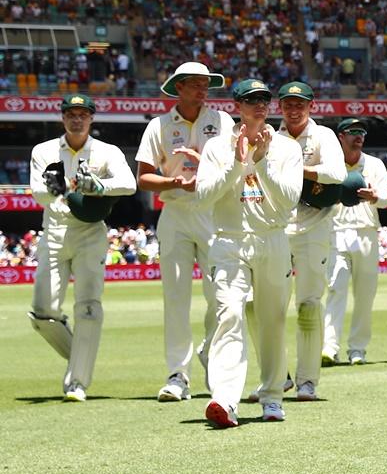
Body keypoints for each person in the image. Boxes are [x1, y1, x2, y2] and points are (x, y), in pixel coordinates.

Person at [195, 79, 303, 427]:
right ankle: (224, 401)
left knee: (272, 321)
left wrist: (262, 162)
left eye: (264, 99)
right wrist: (237, 165)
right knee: (229, 315)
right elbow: (203, 196)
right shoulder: (216, 147)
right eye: (251, 100)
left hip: (272, 239)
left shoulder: (286, 147)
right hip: (229, 241)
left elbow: (289, 198)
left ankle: (272, 396)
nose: (259, 105)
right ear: (237, 106)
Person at [134, 62, 233, 402]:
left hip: (212, 212)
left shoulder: (222, 121)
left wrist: (204, 175)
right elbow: (144, 177)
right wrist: (173, 181)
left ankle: (211, 356)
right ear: (178, 87)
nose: (202, 89)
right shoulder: (158, 126)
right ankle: (177, 375)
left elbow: (235, 166)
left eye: (206, 84)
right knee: (176, 298)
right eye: (195, 84)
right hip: (175, 212)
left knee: (219, 294)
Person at [28, 95, 136, 401]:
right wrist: (54, 189)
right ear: (63, 118)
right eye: (71, 114)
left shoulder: (107, 151)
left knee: (88, 306)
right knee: (42, 311)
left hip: (90, 232)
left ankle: (77, 382)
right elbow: (37, 192)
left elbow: (129, 184)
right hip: (55, 231)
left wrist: (99, 187)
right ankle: (80, 353)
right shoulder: (44, 150)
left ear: (91, 118)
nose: (77, 119)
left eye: (83, 114)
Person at [275, 81, 346, 401]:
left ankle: (307, 381)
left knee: (308, 304)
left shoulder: (323, 136)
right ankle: (277, 377)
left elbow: (337, 174)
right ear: (280, 107)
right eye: (288, 103)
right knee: (266, 307)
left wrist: (297, 169)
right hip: (276, 228)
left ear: (310, 105)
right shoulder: (271, 138)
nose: (293, 109)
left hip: (314, 228)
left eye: (299, 103)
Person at [322, 118, 387, 365]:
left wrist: (374, 196)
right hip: (336, 231)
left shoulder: (373, 164)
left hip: (366, 233)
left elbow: (386, 200)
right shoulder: (330, 165)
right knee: (335, 289)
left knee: (364, 295)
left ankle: (357, 349)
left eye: (361, 132)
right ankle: (329, 347)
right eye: (353, 132)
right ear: (341, 136)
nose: (358, 136)